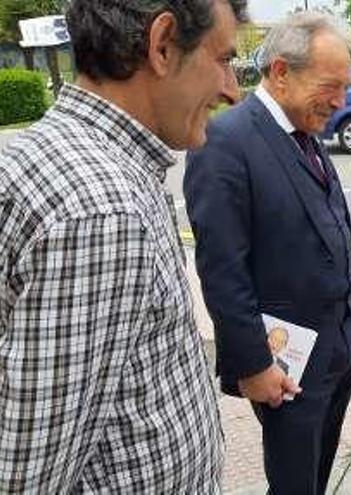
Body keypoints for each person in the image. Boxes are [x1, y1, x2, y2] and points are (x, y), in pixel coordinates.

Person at [0, 0, 247, 492]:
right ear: (161, 45)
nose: (232, 90)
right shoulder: (104, 210)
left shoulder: (49, 153)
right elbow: (26, 477)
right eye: (222, 59)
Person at [184, 13, 351, 495]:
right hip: (285, 369)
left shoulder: (302, 128)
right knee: (293, 484)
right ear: (282, 72)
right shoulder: (226, 142)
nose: (341, 102)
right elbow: (222, 270)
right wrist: (251, 365)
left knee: (316, 473)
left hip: (341, 344)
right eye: (331, 86)